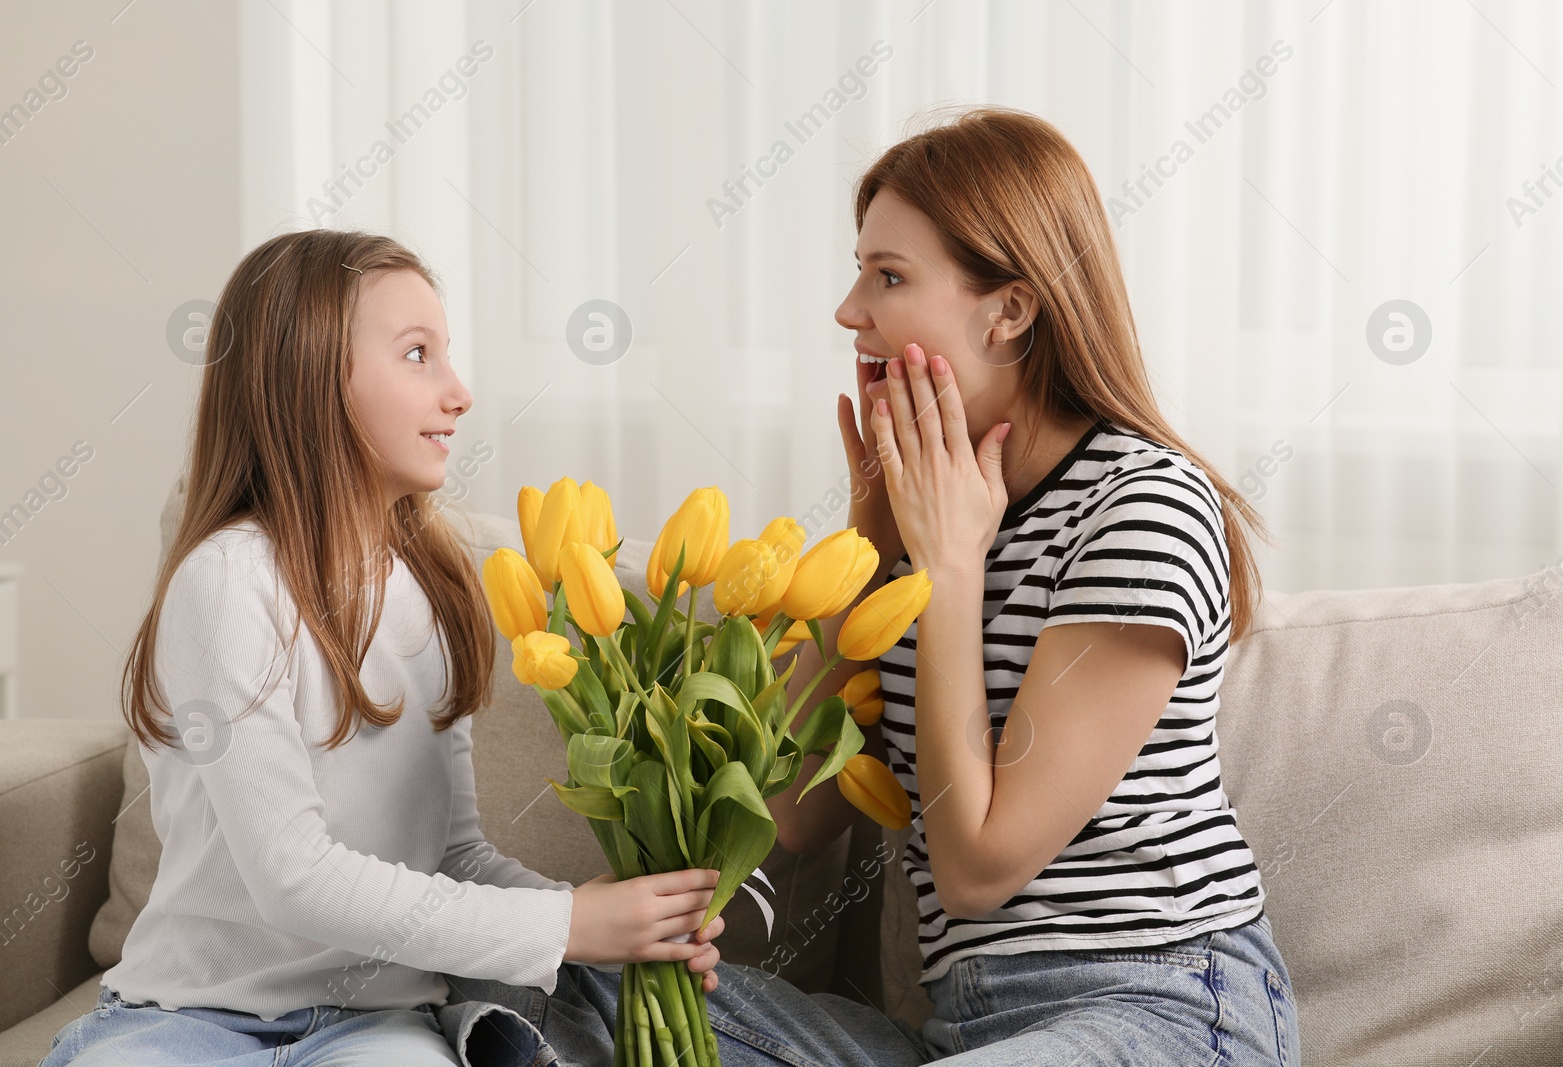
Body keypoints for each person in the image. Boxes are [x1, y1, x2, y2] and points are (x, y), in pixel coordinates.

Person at [37, 229, 732, 1067]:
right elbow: (292, 874)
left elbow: (449, 853)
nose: (460, 392)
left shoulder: (433, 587)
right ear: (312, 378)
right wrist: (564, 924)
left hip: (373, 1023)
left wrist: (598, 915)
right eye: (417, 355)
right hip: (192, 1015)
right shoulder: (228, 580)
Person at [766, 106, 1305, 1065]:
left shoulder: (1142, 507)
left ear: (1009, 310)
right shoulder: (928, 520)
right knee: (572, 987)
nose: (851, 312)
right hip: (961, 1031)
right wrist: (866, 542)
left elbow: (977, 869)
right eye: (860, 273)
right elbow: (792, 814)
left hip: (1165, 1002)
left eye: (888, 277)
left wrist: (948, 573)